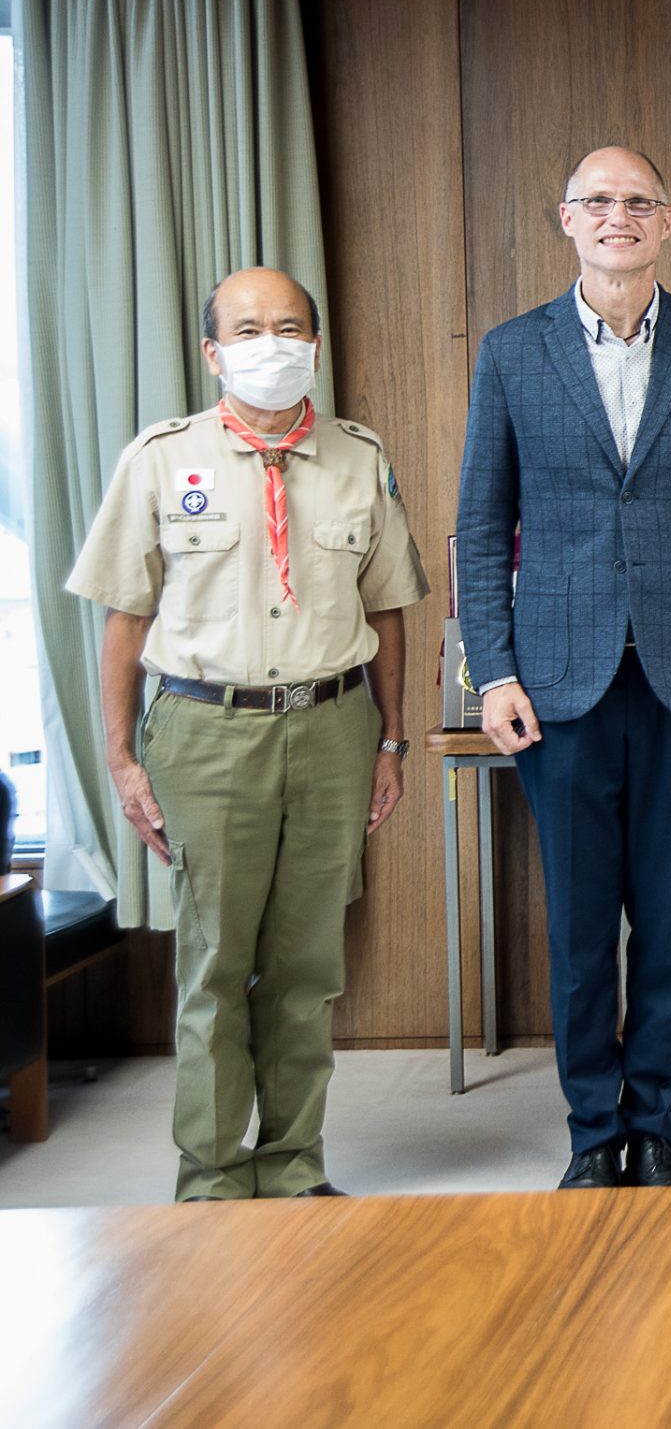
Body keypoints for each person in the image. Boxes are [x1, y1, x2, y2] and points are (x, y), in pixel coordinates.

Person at [455, 146, 671, 1192]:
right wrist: (494, 671)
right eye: (598, 200)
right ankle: (592, 1130)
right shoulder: (513, 352)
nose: (618, 216)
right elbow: (480, 524)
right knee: (582, 925)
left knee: (668, 921)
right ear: (567, 218)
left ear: (667, 222)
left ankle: (655, 1127)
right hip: (557, 680)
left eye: (638, 201)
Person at [69, 267, 428, 1200]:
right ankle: (213, 1179)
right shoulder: (161, 458)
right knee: (215, 967)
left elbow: (388, 608)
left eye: (290, 327)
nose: (273, 344)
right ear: (213, 351)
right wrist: (120, 758)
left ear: (316, 343)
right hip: (205, 732)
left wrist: (392, 742)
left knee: (308, 967)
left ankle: (295, 1164)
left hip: (333, 728)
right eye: (249, 328)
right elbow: (123, 616)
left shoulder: (359, 455)